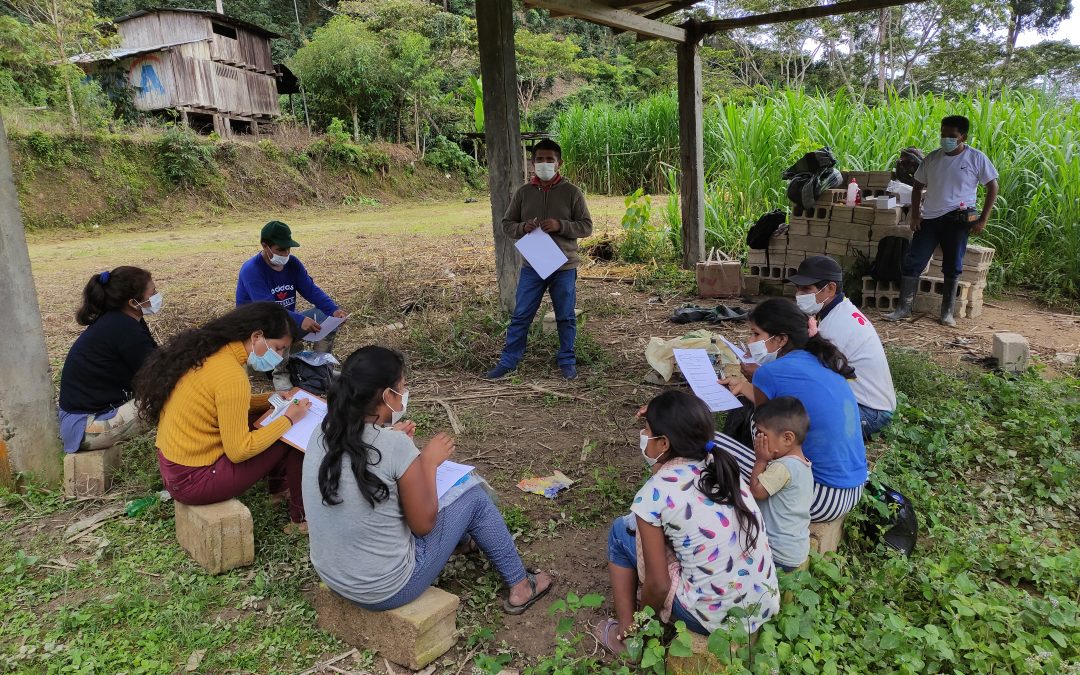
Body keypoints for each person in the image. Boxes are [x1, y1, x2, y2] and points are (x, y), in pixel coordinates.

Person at [303, 346, 553, 612]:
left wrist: (392, 438)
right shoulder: (393, 446)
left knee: (422, 492)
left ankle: (461, 541)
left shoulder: (325, 430)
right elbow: (423, 525)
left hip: (334, 576)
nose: (404, 396)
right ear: (387, 395)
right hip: (386, 589)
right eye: (402, 388)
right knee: (475, 497)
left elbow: (366, 460)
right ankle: (521, 586)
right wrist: (428, 463)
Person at [593, 390, 779, 654]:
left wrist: (643, 620)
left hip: (713, 619)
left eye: (646, 429)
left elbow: (658, 585)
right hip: (759, 602)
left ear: (664, 444)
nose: (643, 435)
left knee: (620, 531)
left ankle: (628, 637)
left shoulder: (654, 493)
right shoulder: (720, 466)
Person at [135, 302, 311, 532]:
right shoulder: (231, 376)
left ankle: (279, 491)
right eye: (278, 348)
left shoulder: (209, 352)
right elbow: (239, 451)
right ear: (257, 336)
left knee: (269, 414)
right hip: (195, 481)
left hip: (175, 468)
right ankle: (302, 518)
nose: (279, 357)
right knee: (290, 433)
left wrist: (271, 399)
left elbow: (224, 404)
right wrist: (288, 419)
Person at [717, 298, 868, 523]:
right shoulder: (822, 360)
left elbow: (765, 423)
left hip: (818, 497)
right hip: (851, 489)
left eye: (756, 334)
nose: (750, 341)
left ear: (780, 339)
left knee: (709, 441)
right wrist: (745, 387)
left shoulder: (769, 372)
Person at [485, 139, 593, 381]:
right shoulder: (523, 193)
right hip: (533, 266)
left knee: (565, 315)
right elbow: (506, 224)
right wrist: (524, 227)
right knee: (521, 314)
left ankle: (567, 360)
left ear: (559, 163)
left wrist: (560, 225)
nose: (545, 164)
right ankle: (509, 361)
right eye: (540, 160)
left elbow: (586, 226)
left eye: (550, 160)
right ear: (532, 163)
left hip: (564, 266)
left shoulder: (572, 192)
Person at [885, 115, 999, 326]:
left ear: (963, 136)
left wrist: (983, 219)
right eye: (943, 135)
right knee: (913, 262)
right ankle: (903, 308)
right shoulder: (932, 158)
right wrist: (916, 215)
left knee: (953, 265)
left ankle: (946, 313)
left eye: (951, 136)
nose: (946, 139)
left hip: (957, 220)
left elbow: (993, 187)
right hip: (929, 219)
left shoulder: (976, 158)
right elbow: (918, 186)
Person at [787, 256, 896, 438]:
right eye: (797, 288)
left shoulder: (836, 326)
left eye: (806, 289)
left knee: (789, 425)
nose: (799, 295)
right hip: (868, 404)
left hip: (870, 413)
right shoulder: (838, 311)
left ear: (830, 288)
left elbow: (811, 378)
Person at [58, 267, 161, 454]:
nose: (157, 295)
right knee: (167, 397)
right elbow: (159, 374)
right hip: (86, 426)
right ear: (133, 302)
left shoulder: (124, 320)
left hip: (85, 417)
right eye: (153, 292)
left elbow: (157, 359)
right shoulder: (123, 329)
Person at [236, 220, 346, 390]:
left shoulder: (293, 264)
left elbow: (310, 290)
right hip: (257, 326)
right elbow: (268, 308)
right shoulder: (252, 270)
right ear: (265, 246)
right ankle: (281, 375)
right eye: (280, 249)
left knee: (326, 317)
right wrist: (299, 320)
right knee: (281, 323)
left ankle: (321, 368)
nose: (286, 253)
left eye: (288, 249)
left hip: (285, 317)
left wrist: (333, 310)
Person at [748, 397, 813, 573]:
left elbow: (756, 491)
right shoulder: (803, 464)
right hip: (794, 549)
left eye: (762, 435)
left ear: (787, 438)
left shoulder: (783, 467)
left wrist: (760, 460)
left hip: (776, 553)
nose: (758, 440)